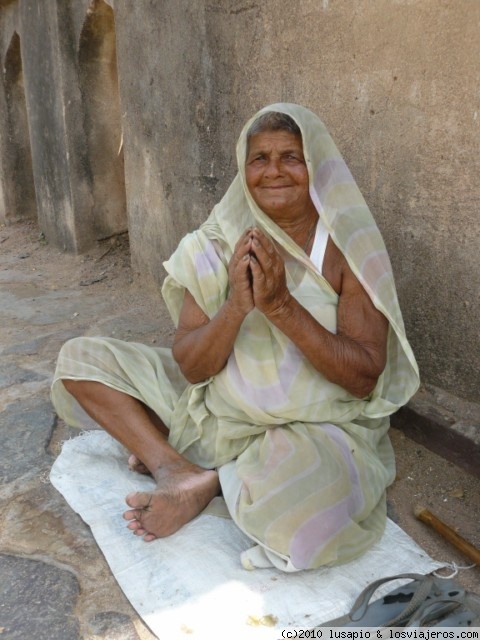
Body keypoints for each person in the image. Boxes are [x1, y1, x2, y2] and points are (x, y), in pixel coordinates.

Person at [51, 103, 419, 571]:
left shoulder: (348, 246)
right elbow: (191, 366)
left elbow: (364, 376)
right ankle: (174, 469)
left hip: (312, 425)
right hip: (216, 409)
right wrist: (236, 308)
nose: (274, 171)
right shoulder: (217, 241)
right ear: (243, 170)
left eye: (291, 157)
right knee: (81, 361)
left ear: (317, 168)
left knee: (306, 523)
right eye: (259, 158)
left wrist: (282, 307)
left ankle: (212, 481)